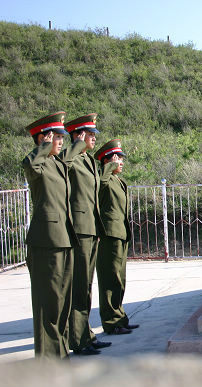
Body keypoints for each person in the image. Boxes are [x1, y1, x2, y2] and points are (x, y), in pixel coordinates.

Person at [21, 111, 78, 359]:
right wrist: (44, 146)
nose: (62, 141)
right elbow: (30, 164)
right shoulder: (38, 162)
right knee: (47, 301)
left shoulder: (56, 162)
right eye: (57, 137)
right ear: (44, 138)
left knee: (62, 300)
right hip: (46, 240)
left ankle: (60, 350)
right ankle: (47, 358)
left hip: (64, 237)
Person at [61, 114, 111, 355]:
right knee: (79, 285)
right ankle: (77, 339)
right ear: (78, 135)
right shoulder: (70, 157)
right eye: (89, 134)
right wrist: (76, 144)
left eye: (93, 135)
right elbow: (63, 165)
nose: (94, 138)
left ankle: (86, 334)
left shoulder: (89, 161)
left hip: (91, 228)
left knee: (87, 286)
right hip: (78, 229)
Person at [94, 139, 139, 334]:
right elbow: (98, 186)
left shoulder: (117, 180)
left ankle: (120, 318)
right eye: (117, 158)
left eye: (121, 159)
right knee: (109, 280)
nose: (121, 162)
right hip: (108, 234)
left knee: (119, 278)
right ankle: (111, 322)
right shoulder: (102, 178)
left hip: (120, 233)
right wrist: (108, 166)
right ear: (107, 160)